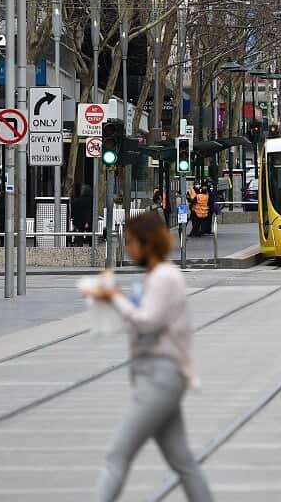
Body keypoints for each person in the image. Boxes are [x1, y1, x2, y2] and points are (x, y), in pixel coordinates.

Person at [82, 212, 213, 502]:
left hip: (160, 377)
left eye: (131, 242)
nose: (128, 248)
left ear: (147, 243)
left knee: (117, 454)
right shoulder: (156, 277)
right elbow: (140, 322)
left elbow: (147, 321)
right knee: (183, 461)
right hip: (159, 375)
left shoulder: (165, 277)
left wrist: (114, 297)